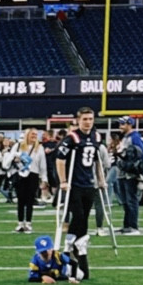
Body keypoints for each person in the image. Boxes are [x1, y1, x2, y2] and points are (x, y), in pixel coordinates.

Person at [53, 108, 108, 270]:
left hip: (88, 184)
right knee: (78, 215)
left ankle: (77, 244)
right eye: (85, 119)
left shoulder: (96, 136)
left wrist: (100, 179)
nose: (88, 122)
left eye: (90, 119)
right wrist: (63, 181)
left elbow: (97, 161)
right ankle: (72, 243)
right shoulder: (72, 137)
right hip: (73, 184)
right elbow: (60, 159)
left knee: (84, 217)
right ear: (78, 120)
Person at [113, 127, 143, 233]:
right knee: (125, 201)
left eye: (123, 123)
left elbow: (141, 154)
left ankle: (133, 226)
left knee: (131, 200)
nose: (120, 125)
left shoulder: (134, 137)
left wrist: (140, 171)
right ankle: (127, 225)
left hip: (130, 173)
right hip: (122, 171)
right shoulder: (126, 137)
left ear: (129, 124)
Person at [13, 128, 47, 231]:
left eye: (36, 134)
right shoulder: (18, 146)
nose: (34, 136)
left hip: (33, 175)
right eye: (32, 134)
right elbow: (10, 158)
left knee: (30, 201)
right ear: (27, 134)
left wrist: (44, 178)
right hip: (20, 175)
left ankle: (28, 223)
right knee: (21, 201)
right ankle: (20, 223)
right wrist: (16, 160)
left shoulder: (39, 148)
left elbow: (42, 164)